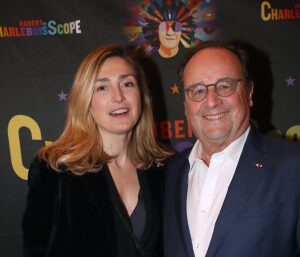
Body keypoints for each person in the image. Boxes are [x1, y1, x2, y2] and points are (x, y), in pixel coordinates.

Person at [22, 45, 170, 257]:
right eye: (102, 88)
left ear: (141, 95)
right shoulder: (55, 170)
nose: (118, 97)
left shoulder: (162, 167)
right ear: (86, 101)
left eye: (127, 84)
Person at [163, 40, 300, 257]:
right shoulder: (167, 176)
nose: (211, 101)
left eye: (224, 86)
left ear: (249, 93)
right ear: (185, 105)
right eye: (197, 90)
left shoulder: (293, 167)